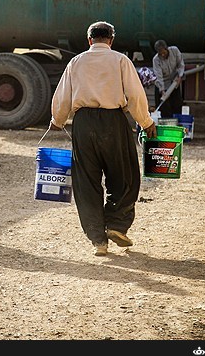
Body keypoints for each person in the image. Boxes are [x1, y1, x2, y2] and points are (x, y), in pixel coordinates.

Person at [49, 21, 157, 257]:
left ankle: (98, 239)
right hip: (113, 122)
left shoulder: (76, 62)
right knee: (124, 175)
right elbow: (135, 95)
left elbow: (63, 95)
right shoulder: (120, 60)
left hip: (83, 123)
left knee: (86, 181)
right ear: (111, 40)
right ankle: (117, 224)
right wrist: (146, 122)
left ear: (89, 40)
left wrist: (57, 120)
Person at [152, 39, 185, 118]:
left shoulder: (175, 51)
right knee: (164, 107)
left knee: (177, 104)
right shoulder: (156, 60)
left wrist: (180, 76)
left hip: (174, 81)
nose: (162, 55)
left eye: (164, 52)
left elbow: (180, 64)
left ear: (167, 48)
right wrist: (162, 90)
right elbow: (159, 76)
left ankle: (177, 123)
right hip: (162, 83)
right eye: (160, 54)